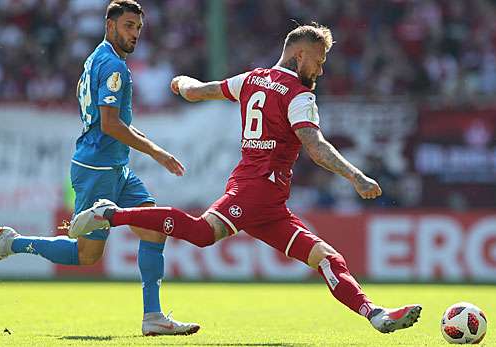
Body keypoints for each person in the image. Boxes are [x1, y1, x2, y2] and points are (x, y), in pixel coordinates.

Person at [69, 23, 422, 333]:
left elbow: (199, 91)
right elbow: (315, 146)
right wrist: (356, 176)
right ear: (299, 55)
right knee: (202, 232)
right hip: (254, 191)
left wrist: (180, 84)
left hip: (270, 204)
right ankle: (110, 214)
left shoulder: (251, 79)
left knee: (327, 258)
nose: (321, 68)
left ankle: (375, 314)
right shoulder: (300, 96)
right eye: (319, 59)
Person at [0, 0, 199, 336]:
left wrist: (155, 150)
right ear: (110, 26)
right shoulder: (113, 67)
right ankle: (12, 243)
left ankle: (153, 316)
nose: (134, 34)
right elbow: (110, 124)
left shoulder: (100, 58)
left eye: (138, 27)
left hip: (116, 166)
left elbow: (115, 122)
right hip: (98, 169)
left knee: (154, 229)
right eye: (128, 26)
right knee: (87, 254)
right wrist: (155, 152)